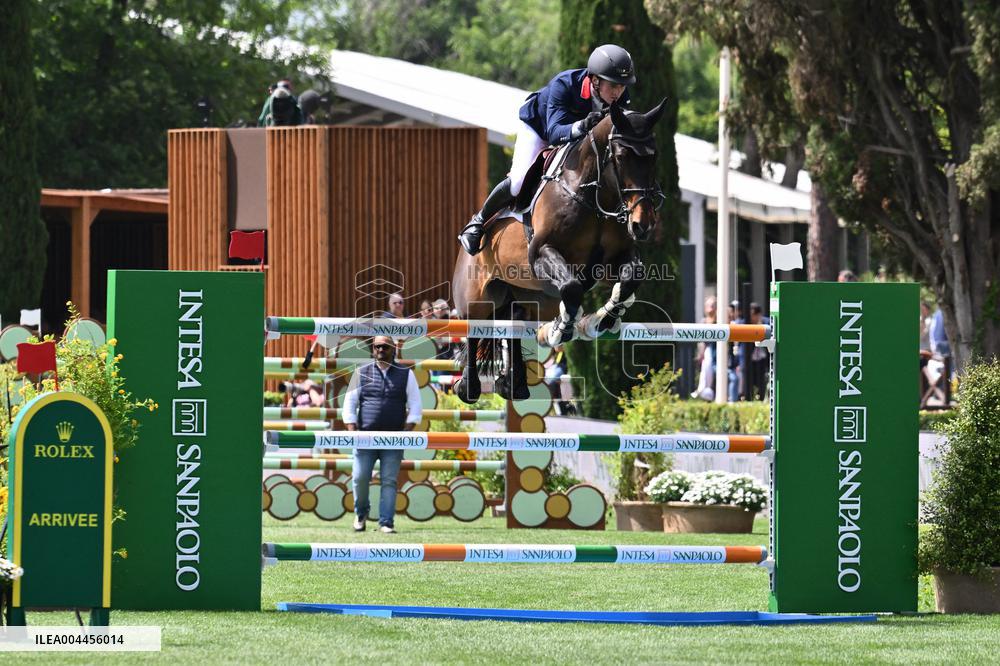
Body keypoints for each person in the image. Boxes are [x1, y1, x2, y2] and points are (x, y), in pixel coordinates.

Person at [457, 44, 635, 255]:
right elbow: (554, 132)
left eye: (622, 86)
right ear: (595, 80)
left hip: (576, 138)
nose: (618, 91)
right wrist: (583, 125)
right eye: (613, 85)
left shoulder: (619, 95)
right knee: (518, 182)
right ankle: (477, 223)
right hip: (540, 128)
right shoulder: (565, 84)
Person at [341, 335, 422, 533]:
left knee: (389, 481)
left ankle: (386, 522)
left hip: (393, 439)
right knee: (359, 478)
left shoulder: (406, 374)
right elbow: (349, 405)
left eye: (385, 347)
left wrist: (405, 433)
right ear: (372, 349)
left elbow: (416, 406)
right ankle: (360, 514)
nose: (380, 350)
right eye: (377, 346)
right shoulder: (361, 372)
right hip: (365, 438)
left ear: (393, 349)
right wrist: (353, 432)